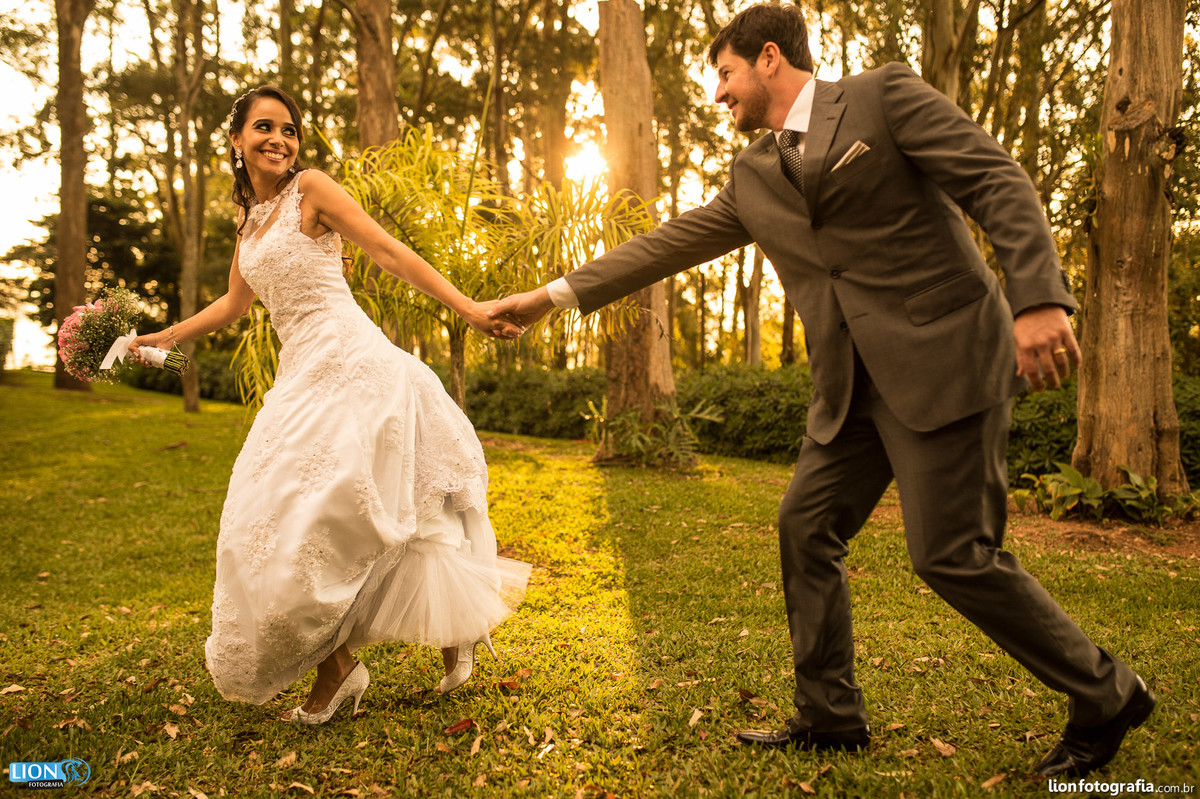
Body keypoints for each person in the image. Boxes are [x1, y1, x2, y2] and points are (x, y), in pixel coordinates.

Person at [490, 3, 1153, 778]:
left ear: (769, 58)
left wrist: (1037, 299)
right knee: (805, 524)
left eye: (726, 74)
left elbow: (994, 178)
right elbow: (666, 246)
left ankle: (1106, 694)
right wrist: (547, 297)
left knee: (954, 555)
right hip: (849, 389)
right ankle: (830, 715)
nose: (718, 95)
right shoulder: (753, 174)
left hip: (943, 358)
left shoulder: (882, 97)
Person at [131, 86, 531, 723]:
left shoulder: (311, 189)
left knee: (365, 510)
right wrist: (165, 335)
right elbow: (235, 305)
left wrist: (469, 308)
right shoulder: (249, 224)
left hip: (354, 363)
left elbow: (386, 249)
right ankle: (339, 666)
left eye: (289, 130)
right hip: (300, 378)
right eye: (264, 128)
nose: (279, 140)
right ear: (235, 142)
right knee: (273, 521)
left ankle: (440, 637)